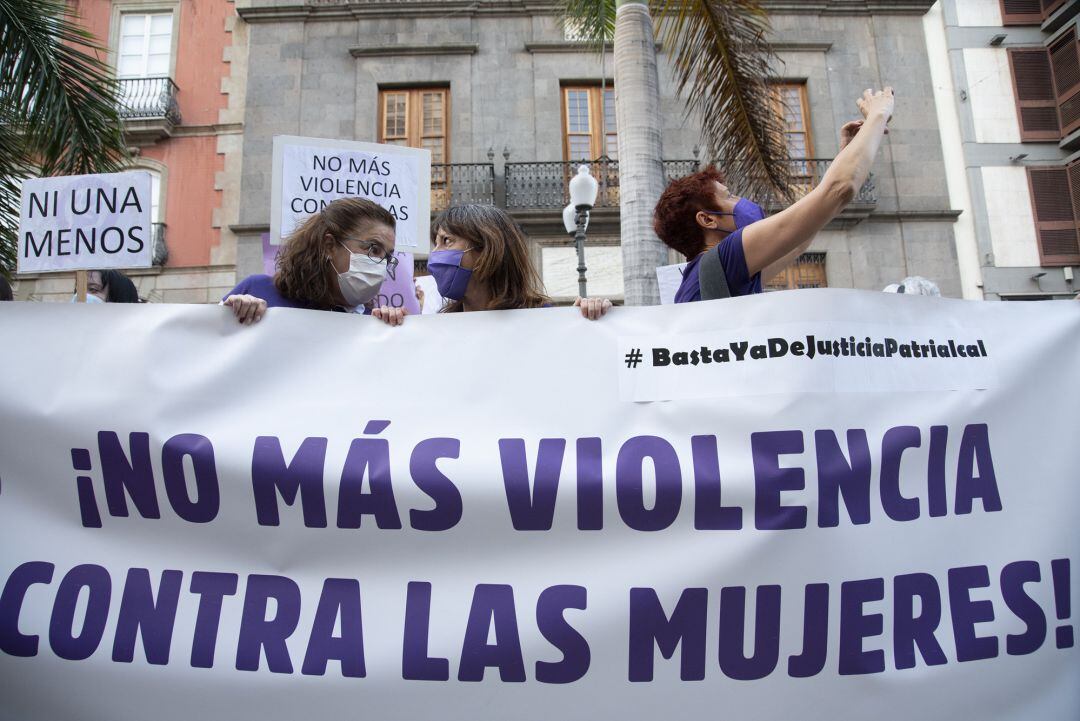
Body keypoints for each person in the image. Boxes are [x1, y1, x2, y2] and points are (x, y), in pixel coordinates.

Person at [654, 88, 895, 303]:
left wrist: (847, 155)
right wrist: (878, 114)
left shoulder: (711, 275)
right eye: (729, 197)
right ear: (707, 219)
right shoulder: (726, 258)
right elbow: (839, 189)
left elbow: (799, 241)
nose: (741, 200)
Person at [223, 197, 401, 325]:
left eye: (387, 257)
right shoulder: (259, 291)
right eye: (373, 249)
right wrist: (229, 315)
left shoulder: (372, 324)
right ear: (329, 245)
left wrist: (392, 329)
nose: (381, 264)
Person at [427, 203, 611, 319]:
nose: (435, 254)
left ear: (487, 250)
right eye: (435, 244)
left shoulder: (543, 319)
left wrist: (593, 316)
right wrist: (399, 323)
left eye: (446, 241)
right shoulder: (441, 327)